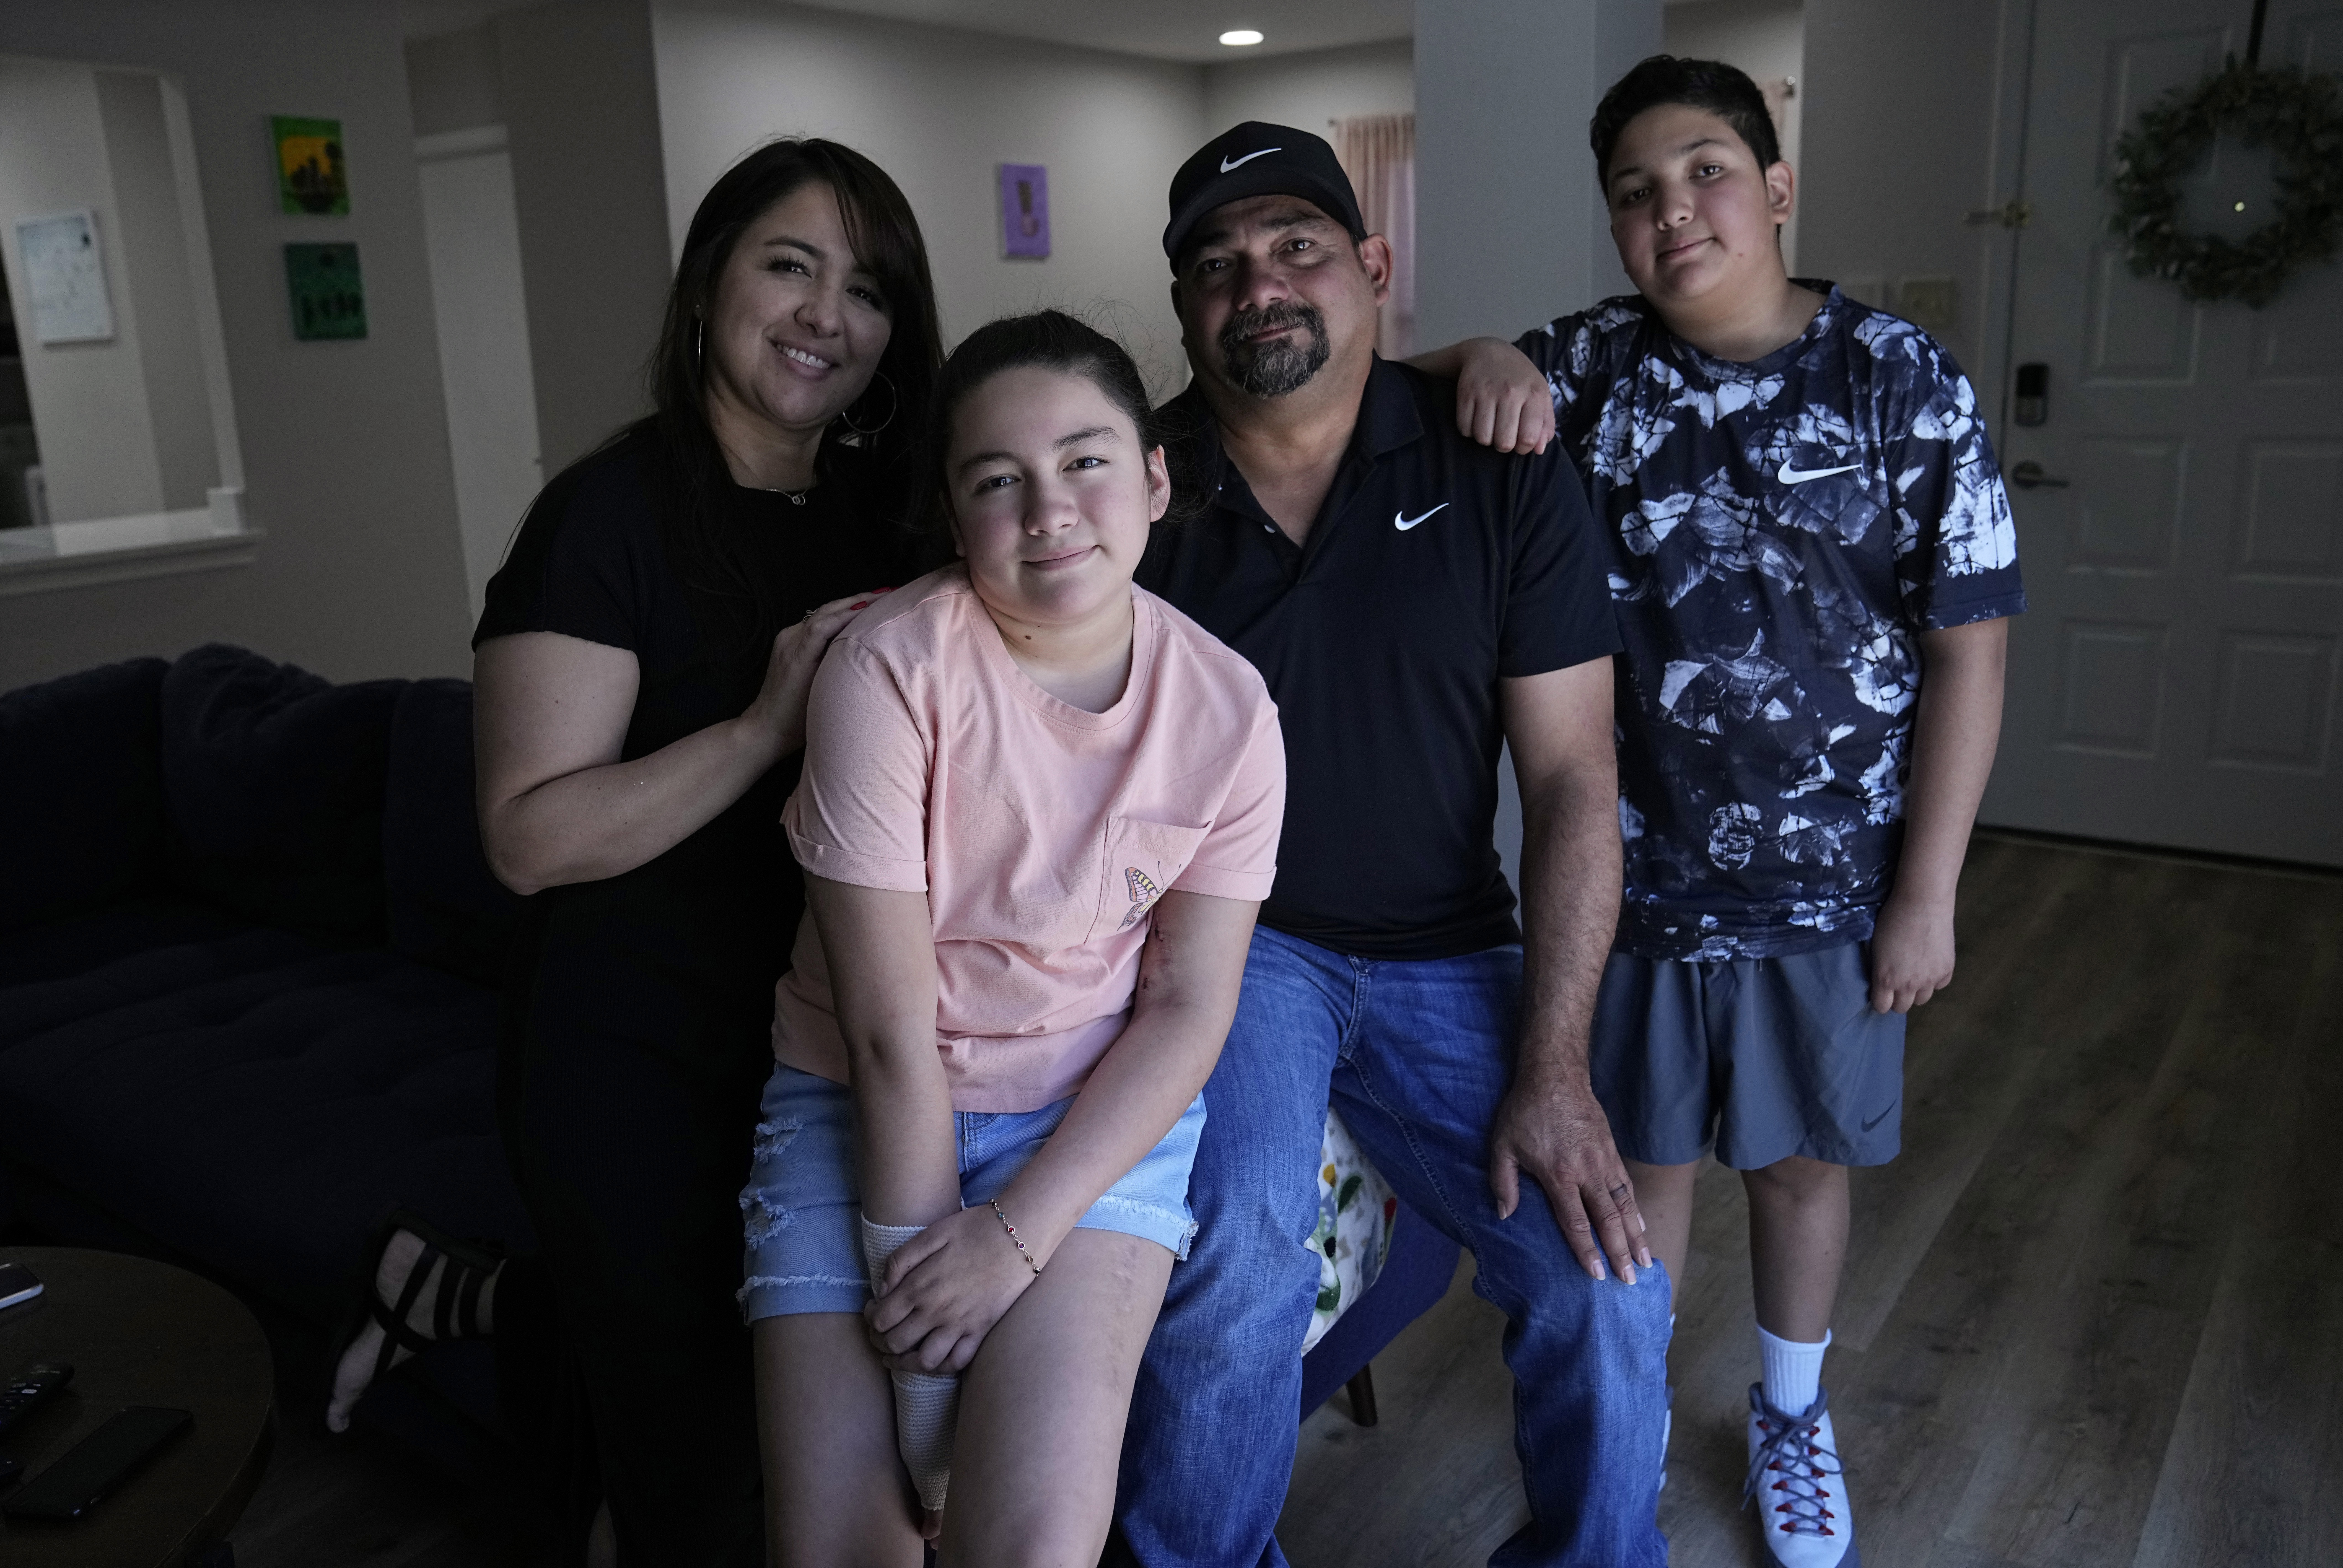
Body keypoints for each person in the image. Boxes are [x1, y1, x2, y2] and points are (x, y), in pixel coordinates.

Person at [1414, 56, 2025, 1568]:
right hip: (1630, 878)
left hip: (1834, 882)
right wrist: (1480, 351)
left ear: (1774, 186)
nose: (1669, 209)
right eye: (1632, 191)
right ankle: (1617, 1441)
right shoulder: (1591, 372)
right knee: (1637, 1172)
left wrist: (1928, 892)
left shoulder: (1900, 378)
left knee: (1801, 1163)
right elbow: (1408, 380)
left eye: (1700, 171)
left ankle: (1790, 1415)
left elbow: (1971, 649)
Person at [324, 138, 942, 1567]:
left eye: (866, 288)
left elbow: (1096, 446)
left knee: (778, 1389)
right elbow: (526, 835)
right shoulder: (604, 516)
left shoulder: (885, 508)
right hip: (630, 1060)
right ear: (713, 277)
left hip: (815, 1046)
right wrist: (759, 725)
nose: (822, 314)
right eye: (788, 264)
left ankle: (443, 1294)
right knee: (704, 1471)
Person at [1113, 123, 1671, 1568]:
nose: (1260, 284)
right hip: (1235, 949)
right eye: (1218, 265)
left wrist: (1552, 1068)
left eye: (1297, 246)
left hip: (1446, 940)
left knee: (1603, 1276)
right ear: (1182, 309)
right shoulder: (1132, 497)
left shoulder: (1500, 465)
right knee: (1236, 1254)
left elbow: (1568, 780)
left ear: (1372, 268)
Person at [741, 310, 1285, 1568]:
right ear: (954, 509)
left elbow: (1188, 1009)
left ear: (1155, 476)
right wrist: (924, 1378)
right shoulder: (888, 668)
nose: (1050, 509)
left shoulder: (1230, 710)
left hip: (1080, 1126)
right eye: (999, 480)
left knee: (1029, 1546)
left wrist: (1012, 1239)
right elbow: (884, 1035)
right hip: (855, 1106)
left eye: (1087, 460)